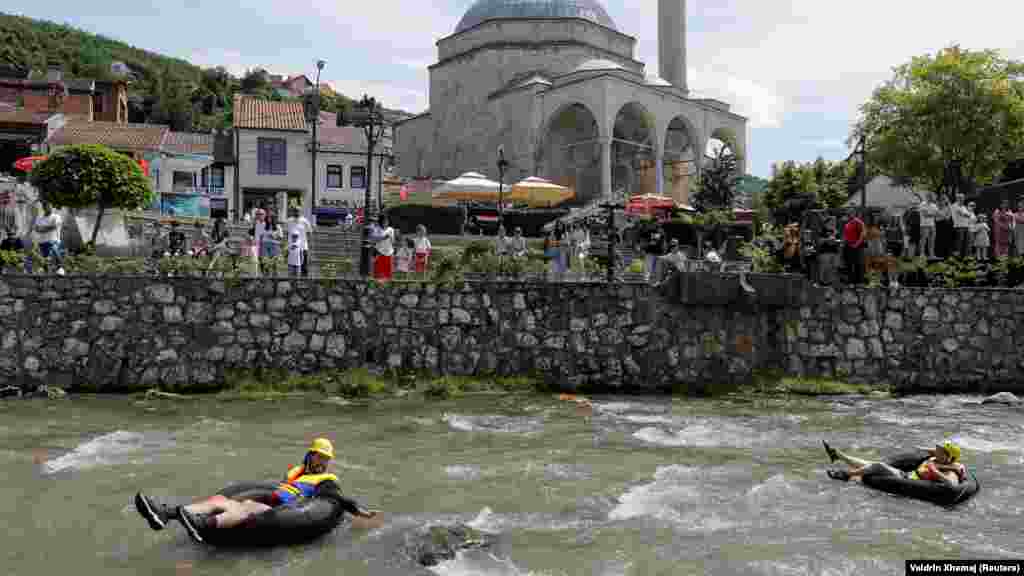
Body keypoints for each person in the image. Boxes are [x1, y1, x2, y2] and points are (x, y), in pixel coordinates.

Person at [134, 438, 378, 544]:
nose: (322, 461)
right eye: (319, 456)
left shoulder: (326, 480)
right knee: (220, 499)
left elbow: (337, 499)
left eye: (326, 458)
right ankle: (165, 513)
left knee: (245, 507)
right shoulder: (295, 472)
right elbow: (273, 489)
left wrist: (359, 511)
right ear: (310, 454)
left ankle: (203, 525)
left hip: (283, 510)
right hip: (271, 500)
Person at [823, 440, 965, 487]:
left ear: (948, 457)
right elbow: (933, 452)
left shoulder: (951, 470)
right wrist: (920, 448)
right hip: (907, 475)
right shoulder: (938, 457)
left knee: (878, 466)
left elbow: (951, 485)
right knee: (869, 464)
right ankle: (839, 455)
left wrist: (934, 472)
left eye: (940, 451)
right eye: (937, 449)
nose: (936, 451)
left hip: (908, 480)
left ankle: (846, 475)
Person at [33, 200, 64, 273]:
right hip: (42, 241)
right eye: (46, 206)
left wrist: (43, 228)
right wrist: (47, 227)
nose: (48, 208)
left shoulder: (56, 217)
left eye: (49, 206)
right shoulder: (39, 218)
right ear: (44, 208)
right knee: (45, 257)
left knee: (54, 250)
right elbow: (37, 229)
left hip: (54, 240)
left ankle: (60, 268)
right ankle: (45, 270)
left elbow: (54, 226)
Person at [286, 207, 314, 277]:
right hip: (291, 247)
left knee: (304, 265)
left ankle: (303, 282)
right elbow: (286, 233)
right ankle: (292, 283)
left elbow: (310, 233)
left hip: (303, 246)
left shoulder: (305, 221)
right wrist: (286, 245)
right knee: (291, 266)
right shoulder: (288, 221)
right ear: (293, 211)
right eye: (295, 211)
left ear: (301, 212)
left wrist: (309, 244)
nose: (296, 212)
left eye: (298, 211)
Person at [843, 210, 866, 284]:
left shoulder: (858, 222)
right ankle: (850, 281)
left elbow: (863, 234)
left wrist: (857, 244)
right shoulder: (847, 222)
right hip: (848, 246)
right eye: (848, 213)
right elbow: (845, 235)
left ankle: (859, 282)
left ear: (854, 214)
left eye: (851, 213)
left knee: (858, 265)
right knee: (849, 264)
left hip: (857, 246)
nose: (849, 214)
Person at [373, 215, 396, 281]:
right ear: (381, 222)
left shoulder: (391, 229)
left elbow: (393, 241)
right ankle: (378, 282)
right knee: (378, 270)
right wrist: (383, 238)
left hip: (389, 252)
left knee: (388, 270)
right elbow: (375, 239)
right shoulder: (377, 229)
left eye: (387, 221)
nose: (386, 222)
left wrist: (392, 239)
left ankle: (387, 283)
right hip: (380, 252)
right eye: (384, 221)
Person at [917, 194, 938, 259]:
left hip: (932, 225)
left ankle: (931, 254)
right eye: (929, 197)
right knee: (923, 240)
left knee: (932, 241)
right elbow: (925, 214)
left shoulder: (934, 205)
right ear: (927, 197)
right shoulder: (922, 204)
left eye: (932, 197)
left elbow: (937, 214)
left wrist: (930, 214)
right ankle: (922, 254)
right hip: (924, 225)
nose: (931, 198)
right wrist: (932, 214)